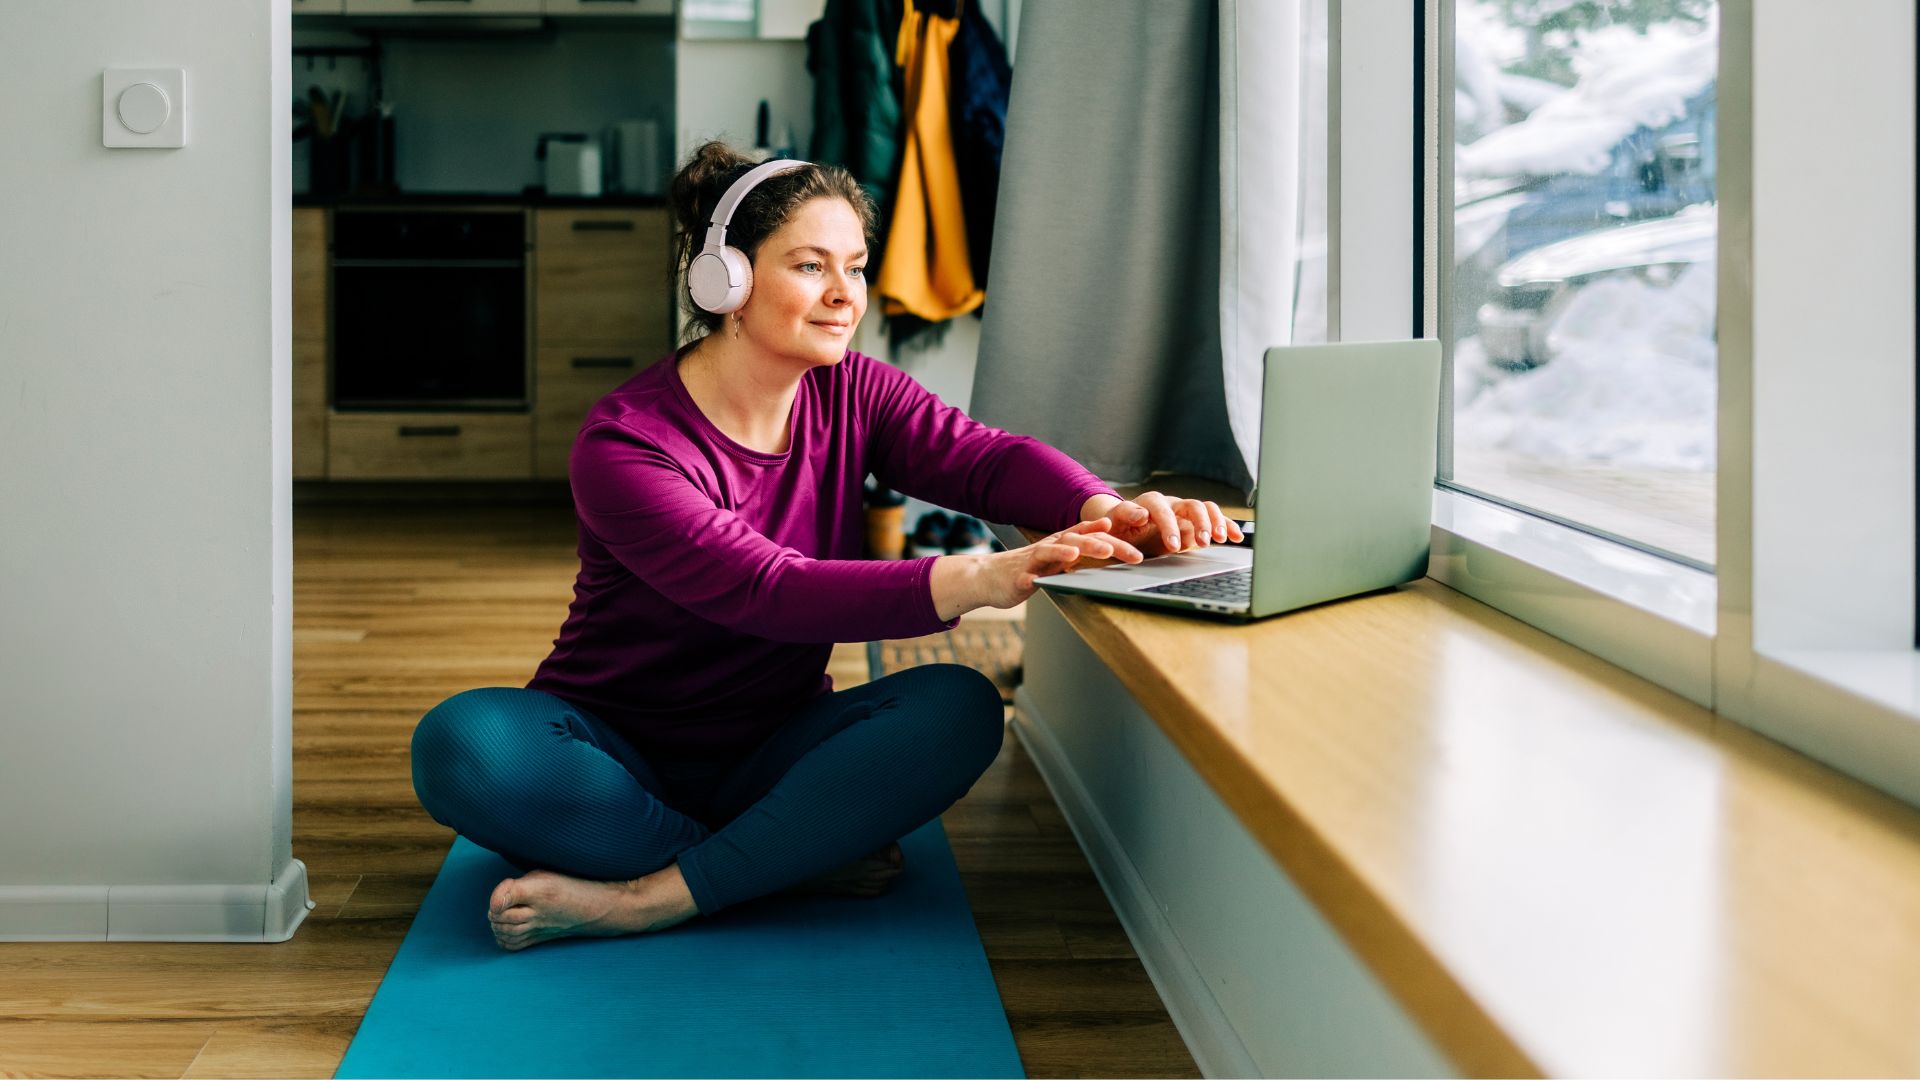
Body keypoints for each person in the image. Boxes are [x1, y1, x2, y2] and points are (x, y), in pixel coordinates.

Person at [408, 141, 1244, 953]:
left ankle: (647, 898)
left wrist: (1105, 507)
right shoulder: (626, 445)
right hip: (609, 755)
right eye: (811, 266)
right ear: (724, 278)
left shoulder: (856, 390)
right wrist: (984, 576)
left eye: (855, 266)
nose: (846, 295)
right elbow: (769, 591)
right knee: (463, 745)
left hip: (774, 749)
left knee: (957, 708)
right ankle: (782, 858)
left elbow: (982, 458)